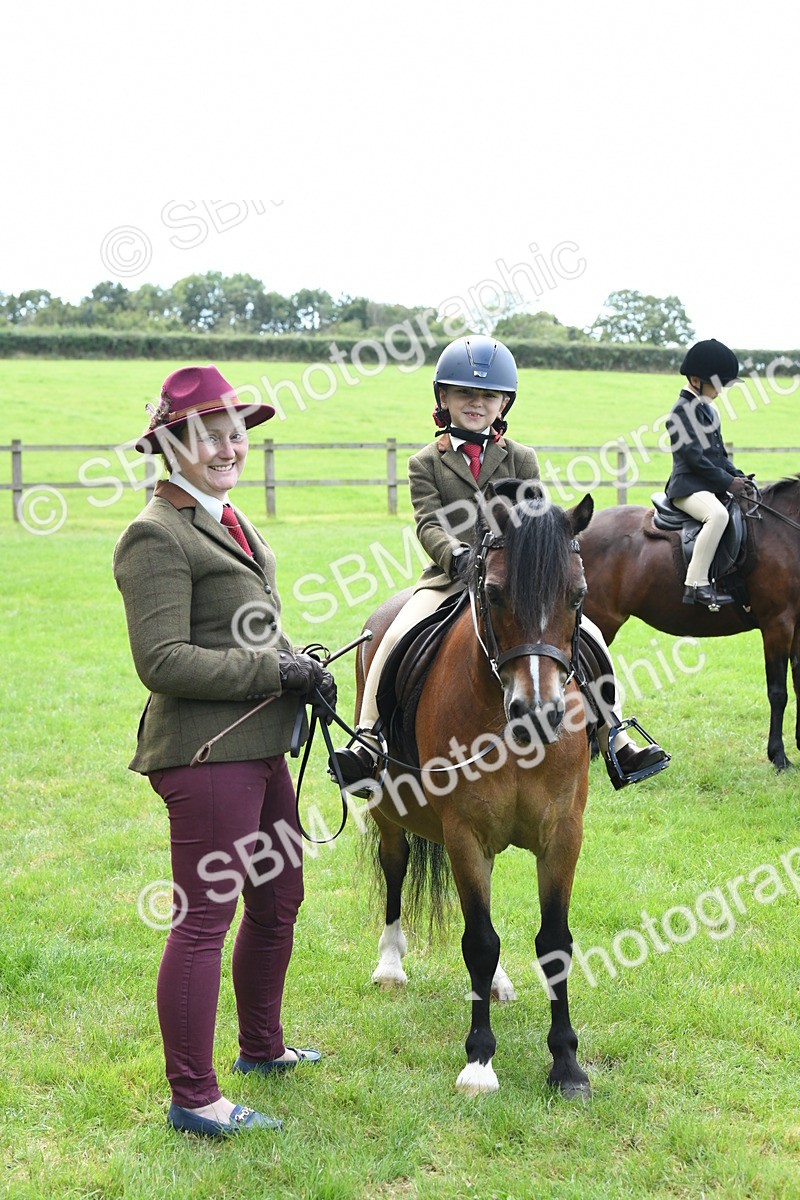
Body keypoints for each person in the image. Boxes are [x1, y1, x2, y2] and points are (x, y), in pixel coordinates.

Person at [113, 365, 336, 1138]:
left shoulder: (228, 517)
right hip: (205, 756)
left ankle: (262, 1050)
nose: (226, 445)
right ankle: (194, 1097)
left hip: (263, 743)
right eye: (205, 433)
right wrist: (270, 669)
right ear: (170, 444)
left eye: (234, 430)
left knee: (279, 901)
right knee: (204, 919)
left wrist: (299, 671)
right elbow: (162, 660)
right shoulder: (155, 532)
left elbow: (248, 625)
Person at [330, 335, 668, 793]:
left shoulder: (521, 458)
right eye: (465, 394)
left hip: (510, 580)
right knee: (391, 636)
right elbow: (429, 524)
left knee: (590, 637)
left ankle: (617, 735)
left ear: (504, 402)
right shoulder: (425, 462)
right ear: (443, 398)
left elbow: (535, 521)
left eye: (488, 396)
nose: (476, 404)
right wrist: (458, 556)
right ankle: (368, 741)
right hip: (449, 578)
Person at [665, 338, 752, 608]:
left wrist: (739, 477)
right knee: (717, 515)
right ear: (695, 379)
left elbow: (719, 456)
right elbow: (695, 460)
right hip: (687, 487)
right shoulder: (679, 413)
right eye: (718, 384)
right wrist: (727, 482)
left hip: (707, 486)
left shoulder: (708, 412)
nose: (721, 391)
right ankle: (696, 584)